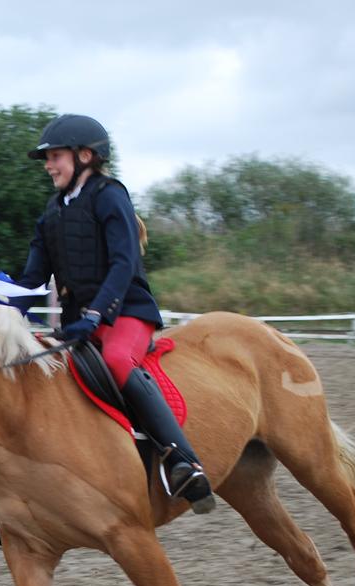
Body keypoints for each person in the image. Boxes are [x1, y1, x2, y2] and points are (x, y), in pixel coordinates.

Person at [14, 114, 214, 513]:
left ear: (85, 155)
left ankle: (183, 461)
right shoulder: (51, 212)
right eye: (48, 159)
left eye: (55, 156)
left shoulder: (109, 195)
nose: (49, 165)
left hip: (127, 313)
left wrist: (96, 313)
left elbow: (124, 263)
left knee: (118, 361)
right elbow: (33, 279)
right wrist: (0, 307)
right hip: (78, 323)